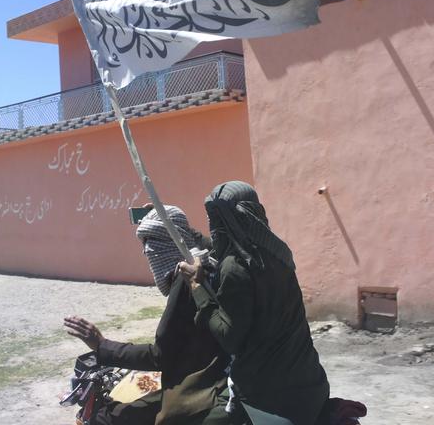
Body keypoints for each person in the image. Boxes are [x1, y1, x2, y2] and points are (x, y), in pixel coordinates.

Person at [64, 205, 241, 425]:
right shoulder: (209, 261)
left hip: (200, 380)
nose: (147, 251)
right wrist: (168, 218)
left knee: (110, 418)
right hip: (212, 366)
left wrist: (102, 345)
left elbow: (160, 355)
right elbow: (190, 238)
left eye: (152, 241)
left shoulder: (185, 282)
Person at [178, 181, 329, 425]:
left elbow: (229, 337)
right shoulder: (278, 252)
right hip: (311, 383)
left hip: (269, 398)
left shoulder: (235, 266)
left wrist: (197, 287)